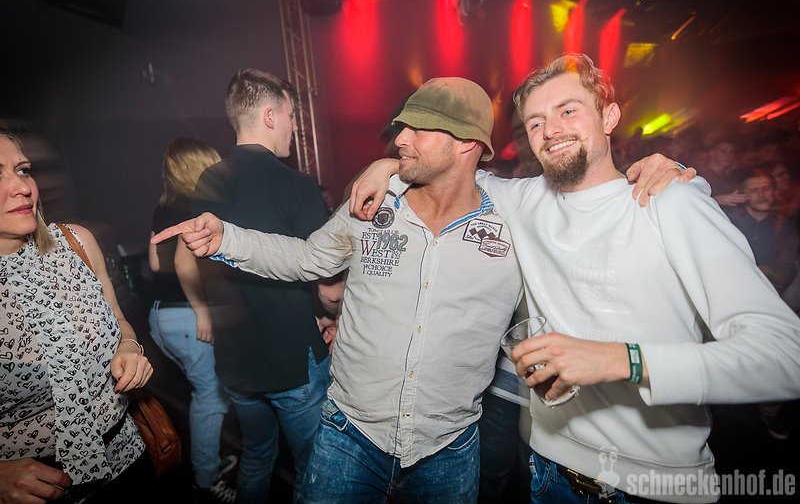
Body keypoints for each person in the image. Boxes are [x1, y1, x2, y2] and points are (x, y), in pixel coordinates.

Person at [153, 77, 686, 503]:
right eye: (400, 128)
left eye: (419, 130)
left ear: (468, 144)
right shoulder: (372, 204)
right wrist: (228, 239)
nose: (399, 140)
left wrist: (666, 171)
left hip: (448, 448)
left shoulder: (517, 215)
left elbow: (594, 197)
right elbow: (306, 258)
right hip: (348, 436)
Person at [349, 54, 800, 504]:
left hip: (654, 485)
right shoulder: (524, 200)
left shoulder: (670, 201)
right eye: (536, 122)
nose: (551, 130)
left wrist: (623, 360)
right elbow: (450, 169)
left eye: (568, 110)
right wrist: (387, 167)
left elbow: (784, 356)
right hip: (547, 472)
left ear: (609, 116)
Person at [190, 69, 333, 503]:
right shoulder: (296, 184)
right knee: (315, 467)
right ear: (270, 116)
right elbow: (327, 281)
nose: (296, 126)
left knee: (256, 455)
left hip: (236, 360)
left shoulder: (207, 181)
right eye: (291, 115)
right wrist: (332, 315)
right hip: (291, 360)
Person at [0, 128, 153, 503]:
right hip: (37, 490)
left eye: (23, 170)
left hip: (129, 458)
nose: (22, 187)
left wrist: (130, 349)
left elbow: (120, 323)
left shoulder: (76, 242)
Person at [147, 137, 235, 503]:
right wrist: (203, 312)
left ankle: (207, 459)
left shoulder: (164, 207)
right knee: (211, 398)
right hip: (186, 317)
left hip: (161, 316)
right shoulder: (196, 207)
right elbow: (184, 264)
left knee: (207, 394)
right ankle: (206, 479)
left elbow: (155, 263)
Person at [723, 168, 798, 441]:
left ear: (775, 191)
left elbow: (786, 270)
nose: (761, 194)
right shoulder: (727, 218)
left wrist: (770, 274)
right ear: (742, 194)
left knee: (773, 359)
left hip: (769, 301)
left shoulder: (784, 227)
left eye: (766, 188)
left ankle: (769, 412)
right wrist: (717, 199)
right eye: (753, 190)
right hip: (727, 299)